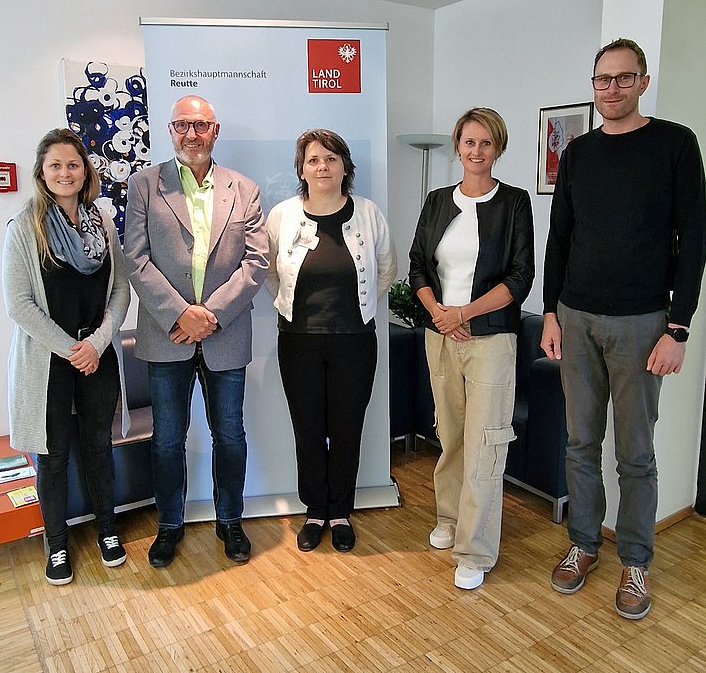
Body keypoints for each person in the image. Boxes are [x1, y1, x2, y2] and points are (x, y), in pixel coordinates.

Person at [543, 38, 706, 620]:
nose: (611, 88)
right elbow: (560, 236)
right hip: (577, 317)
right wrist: (550, 313)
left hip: (643, 323)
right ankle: (584, 545)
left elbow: (694, 243)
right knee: (580, 443)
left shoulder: (675, 144)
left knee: (635, 454)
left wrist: (678, 327)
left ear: (642, 81)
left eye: (623, 78)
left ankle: (635, 560)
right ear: (593, 86)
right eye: (602, 79)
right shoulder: (580, 153)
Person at [124, 95, 268, 568]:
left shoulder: (243, 189)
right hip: (167, 335)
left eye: (201, 125)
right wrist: (180, 313)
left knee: (230, 435)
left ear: (215, 130)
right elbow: (136, 259)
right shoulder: (144, 185)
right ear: (170, 130)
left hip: (225, 336)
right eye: (183, 125)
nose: (192, 134)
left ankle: (230, 521)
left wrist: (213, 313)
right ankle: (169, 525)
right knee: (167, 439)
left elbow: (256, 262)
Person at [409, 107, 534, 590]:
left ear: (497, 149)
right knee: (452, 433)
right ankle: (449, 517)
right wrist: (439, 312)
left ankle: (476, 548)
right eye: (469, 142)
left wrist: (465, 313)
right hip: (439, 334)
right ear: (457, 147)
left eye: (486, 143)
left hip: (490, 339)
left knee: (486, 442)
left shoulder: (515, 203)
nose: (477, 151)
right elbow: (419, 264)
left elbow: (520, 278)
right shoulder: (438, 200)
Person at [3, 128, 130, 586]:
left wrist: (96, 344)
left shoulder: (101, 222)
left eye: (73, 164)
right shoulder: (24, 228)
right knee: (53, 457)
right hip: (49, 362)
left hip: (95, 356)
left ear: (85, 170)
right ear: (42, 171)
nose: (64, 172)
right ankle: (56, 543)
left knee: (98, 446)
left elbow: (120, 289)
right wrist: (72, 350)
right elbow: (19, 305)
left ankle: (108, 532)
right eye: (55, 165)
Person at [266, 129, 397, 552]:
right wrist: (291, 306)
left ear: (345, 166)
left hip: (354, 341)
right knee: (307, 429)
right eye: (314, 160)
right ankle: (315, 510)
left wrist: (354, 309)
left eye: (331, 158)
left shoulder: (369, 214)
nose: (322, 166)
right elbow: (269, 272)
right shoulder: (283, 216)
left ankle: (340, 511)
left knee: (347, 429)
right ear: (302, 169)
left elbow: (386, 269)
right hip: (298, 341)